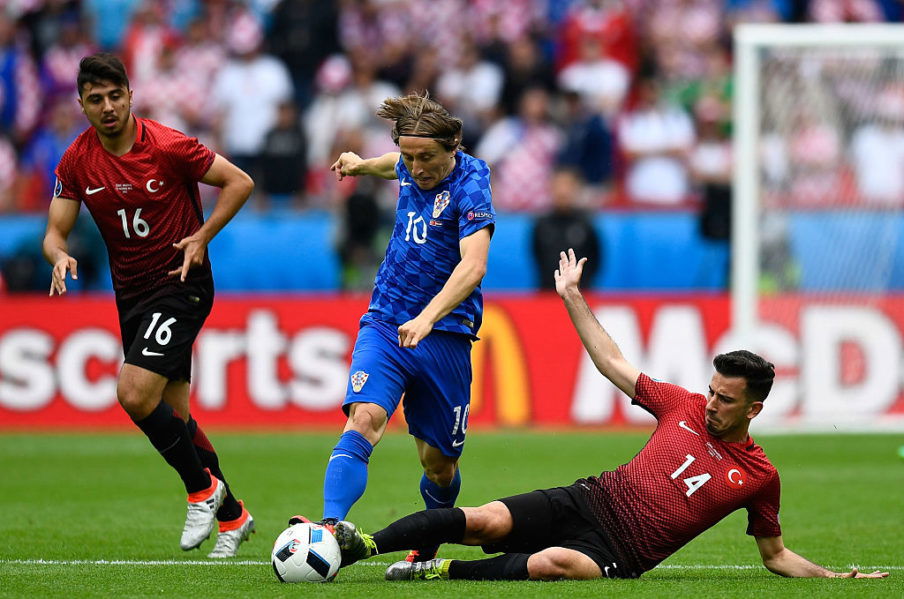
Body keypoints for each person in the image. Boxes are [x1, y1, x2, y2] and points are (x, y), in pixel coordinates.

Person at [328, 248, 890, 582]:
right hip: (588, 498)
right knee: (485, 521)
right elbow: (613, 363)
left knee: (553, 565)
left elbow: (775, 555)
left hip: (619, 551)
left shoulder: (760, 477)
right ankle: (362, 544)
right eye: (712, 391)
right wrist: (573, 297)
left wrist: (832, 576)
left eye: (726, 399)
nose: (712, 403)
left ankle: (439, 569)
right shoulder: (682, 405)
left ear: (754, 408)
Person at [42, 53, 255, 558]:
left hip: (181, 284)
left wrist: (202, 236)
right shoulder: (77, 160)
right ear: (82, 105)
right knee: (174, 416)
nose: (108, 107)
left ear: (130, 96)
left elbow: (240, 182)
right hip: (133, 295)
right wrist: (58, 255)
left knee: (134, 393)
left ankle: (202, 491)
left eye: (116, 96)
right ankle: (233, 515)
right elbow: (54, 231)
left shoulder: (167, 145)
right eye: (96, 99)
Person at [291, 93, 495, 565]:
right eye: (409, 156)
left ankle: (428, 542)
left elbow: (474, 266)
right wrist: (361, 165)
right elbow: (393, 165)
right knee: (364, 418)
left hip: (445, 333)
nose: (416, 168)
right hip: (386, 320)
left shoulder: (471, 183)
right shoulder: (408, 163)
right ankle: (329, 527)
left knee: (439, 466)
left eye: (426, 157)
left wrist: (427, 317)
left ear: (453, 146)